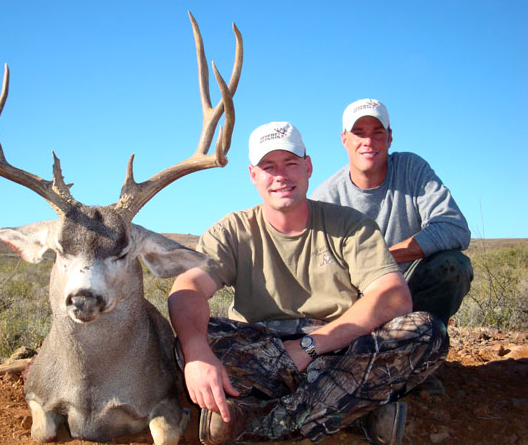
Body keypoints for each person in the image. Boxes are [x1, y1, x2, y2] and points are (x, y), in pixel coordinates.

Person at [168, 122, 448, 445]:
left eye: (290, 164)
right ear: (253, 176)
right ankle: (356, 409)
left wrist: (310, 346)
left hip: (340, 347)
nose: (281, 176)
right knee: (189, 344)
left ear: (308, 166)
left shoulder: (351, 226)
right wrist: (197, 351)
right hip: (266, 351)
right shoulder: (232, 230)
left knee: (427, 332)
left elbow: (394, 296)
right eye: (268, 167)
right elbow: (186, 289)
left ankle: (265, 421)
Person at [310, 98, 472, 329]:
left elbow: (454, 228)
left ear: (390, 137)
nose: (368, 141)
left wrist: (381, 261)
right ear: (344, 139)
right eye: (358, 133)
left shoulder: (412, 169)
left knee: (453, 265)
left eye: (377, 133)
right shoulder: (325, 197)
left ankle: (427, 345)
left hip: (407, 288)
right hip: (355, 299)